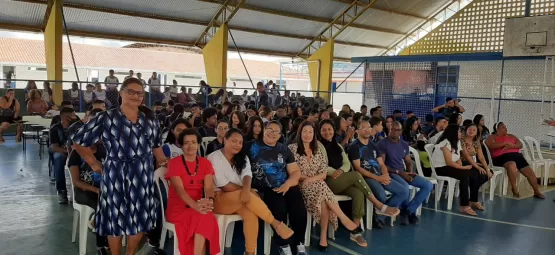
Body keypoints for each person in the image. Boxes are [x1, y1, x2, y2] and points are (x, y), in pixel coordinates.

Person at [72, 78, 166, 255]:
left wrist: (168, 164)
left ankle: (130, 253)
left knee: (140, 217)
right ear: (121, 92)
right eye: (131, 91)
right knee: (114, 219)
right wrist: (93, 163)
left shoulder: (150, 120)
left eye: (139, 93)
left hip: (143, 175)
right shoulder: (106, 117)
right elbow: (79, 141)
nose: (135, 96)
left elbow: (157, 149)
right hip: (115, 174)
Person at [208, 128, 294, 255]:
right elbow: (224, 185)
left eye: (240, 142)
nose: (237, 145)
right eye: (234, 141)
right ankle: (275, 223)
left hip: (241, 198)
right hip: (219, 199)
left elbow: (247, 174)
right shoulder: (214, 157)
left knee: (250, 213)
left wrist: (247, 190)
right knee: (252, 197)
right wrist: (247, 191)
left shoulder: (242, 157)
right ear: (225, 140)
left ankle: (249, 252)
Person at [289, 121, 365, 249]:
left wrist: (312, 178)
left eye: (311, 132)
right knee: (321, 189)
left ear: (314, 134)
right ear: (300, 133)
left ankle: (324, 236)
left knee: (323, 196)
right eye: (305, 132)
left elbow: (323, 173)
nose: (308, 135)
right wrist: (308, 179)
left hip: (317, 183)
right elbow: (292, 172)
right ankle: (342, 220)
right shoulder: (292, 149)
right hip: (299, 185)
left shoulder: (317, 149)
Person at [246, 121, 307, 255]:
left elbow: (295, 172)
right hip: (264, 188)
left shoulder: (284, 149)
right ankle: (283, 244)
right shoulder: (251, 146)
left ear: (280, 135)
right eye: (270, 129)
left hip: (285, 185)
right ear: (263, 130)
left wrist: (288, 184)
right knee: (279, 207)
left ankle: (299, 243)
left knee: (298, 206)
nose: (272, 133)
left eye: (276, 131)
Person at [165, 129, 220, 255]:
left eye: (194, 142)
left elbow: (209, 187)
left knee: (204, 214)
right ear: (181, 145)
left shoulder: (205, 163)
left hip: (199, 203)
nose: (190, 146)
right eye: (186, 143)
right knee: (204, 216)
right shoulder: (174, 163)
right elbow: (179, 190)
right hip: (178, 207)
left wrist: (209, 201)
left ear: (198, 144)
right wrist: (195, 206)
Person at [377, 121, 433, 225]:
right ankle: (383, 215)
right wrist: (400, 173)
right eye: (392, 129)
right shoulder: (382, 144)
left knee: (428, 185)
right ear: (389, 129)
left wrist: (409, 172)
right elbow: (382, 165)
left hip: (403, 172)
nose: (394, 132)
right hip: (391, 172)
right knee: (405, 189)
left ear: (401, 132)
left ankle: (408, 211)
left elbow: (408, 161)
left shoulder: (403, 144)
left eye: (397, 130)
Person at [430, 124, 488, 216]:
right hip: (440, 168)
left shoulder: (456, 142)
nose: (461, 133)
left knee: (475, 173)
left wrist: (459, 162)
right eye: (459, 131)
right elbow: (449, 162)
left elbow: (457, 156)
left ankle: (473, 200)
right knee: (464, 175)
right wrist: (463, 167)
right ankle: (464, 205)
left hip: (450, 166)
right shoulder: (445, 143)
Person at [67, 138, 108, 254]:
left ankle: (108, 232)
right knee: (102, 206)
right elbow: (76, 181)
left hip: (102, 189)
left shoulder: (104, 150)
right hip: (84, 191)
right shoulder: (77, 153)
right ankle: (101, 245)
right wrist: (96, 190)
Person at [485, 122, 544, 198]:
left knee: (529, 172)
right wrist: (505, 143)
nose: (506, 128)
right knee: (512, 165)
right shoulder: (492, 137)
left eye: (505, 127)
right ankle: (514, 188)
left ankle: (537, 191)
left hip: (517, 156)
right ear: (497, 129)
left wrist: (513, 145)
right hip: (501, 157)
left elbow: (520, 144)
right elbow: (491, 145)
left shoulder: (511, 136)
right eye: (503, 127)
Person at [461, 124, 493, 208]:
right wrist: (478, 167)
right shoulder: (462, 141)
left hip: (472, 163)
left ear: (476, 133)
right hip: (462, 163)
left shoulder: (476, 143)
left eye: (474, 130)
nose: (471, 131)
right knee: (476, 174)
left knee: (485, 174)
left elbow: (481, 157)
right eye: (470, 129)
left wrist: (487, 169)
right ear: (466, 130)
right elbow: (466, 156)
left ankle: (472, 199)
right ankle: (473, 200)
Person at [50, 107, 77, 203]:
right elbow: (54, 147)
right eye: (73, 115)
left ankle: (81, 189)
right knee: (58, 158)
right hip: (63, 151)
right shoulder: (55, 129)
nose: (75, 117)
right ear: (67, 117)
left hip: (77, 151)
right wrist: (68, 151)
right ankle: (62, 191)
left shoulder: (77, 126)